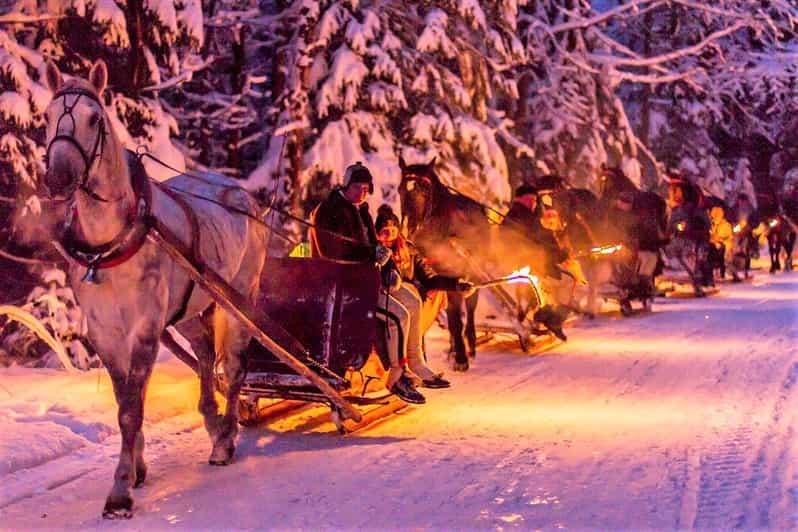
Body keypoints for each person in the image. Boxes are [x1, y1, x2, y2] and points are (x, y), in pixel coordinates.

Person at [309, 162, 425, 404]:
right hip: (343, 286)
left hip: (366, 280)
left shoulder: (361, 209)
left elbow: (375, 246)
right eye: (357, 187)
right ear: (346, 185)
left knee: (413, 301)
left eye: (365, 188)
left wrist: (390, 270)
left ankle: (416, 362)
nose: (362, 193)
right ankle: (396, 374)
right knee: (398, 316)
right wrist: (371, 255)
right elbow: (333, 251)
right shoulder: (329, 211)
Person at [374, 205, 474, 388]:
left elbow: (429, 278)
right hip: (386, 302)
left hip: (411, 302)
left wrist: (455, 284)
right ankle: (399, 369)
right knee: (405, 311)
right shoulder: (376, 252)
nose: (388, 237)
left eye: (392, 232)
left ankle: (417, 363)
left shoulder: (409, 251)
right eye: (384, 232)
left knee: (414, 306)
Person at [501, 183, 570, 340]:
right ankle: (549, 318)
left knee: (556, 281)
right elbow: (534, 239)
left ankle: (551, 315)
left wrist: (556, 250)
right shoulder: (520, 215)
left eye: (534, 200)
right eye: (531, 200)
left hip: (531, 260)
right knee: (545, 286)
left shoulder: (524, 215)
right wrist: (556, 252)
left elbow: (541, 237)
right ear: (523, 199)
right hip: (524, 262)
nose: (533, 203)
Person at [708, 205, 733, 280]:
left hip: (723, 245)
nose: (714, 217)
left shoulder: (726, 225)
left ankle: (722, 273)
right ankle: (712, 273)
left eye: (716, 215)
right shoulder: (711, 225)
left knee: (721, 255)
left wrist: (721, 240)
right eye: (713, 215)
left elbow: (729, 236)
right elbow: (710, 235)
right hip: (713, 245)